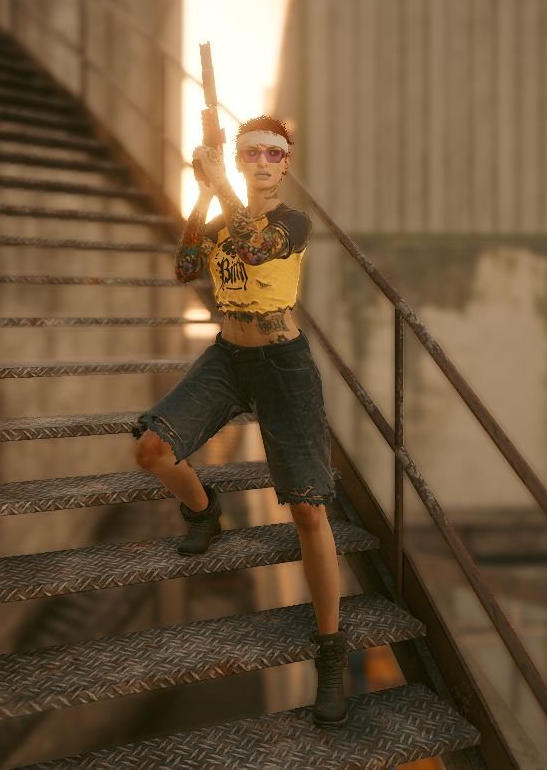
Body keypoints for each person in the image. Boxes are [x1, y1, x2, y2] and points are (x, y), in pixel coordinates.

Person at [130, 115, 349, 727]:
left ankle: (331, 651)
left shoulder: (292, 223)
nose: (261, 161)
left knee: (308, 510)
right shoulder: (225, 218)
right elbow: (184, 267)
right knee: (152, 450)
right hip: (228, 356)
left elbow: (255, 248)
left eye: (273, 153)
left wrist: (221, 182)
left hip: (283, 364)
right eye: (250, 151)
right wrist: (203, 192)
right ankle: (204, 511)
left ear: (286, 164)